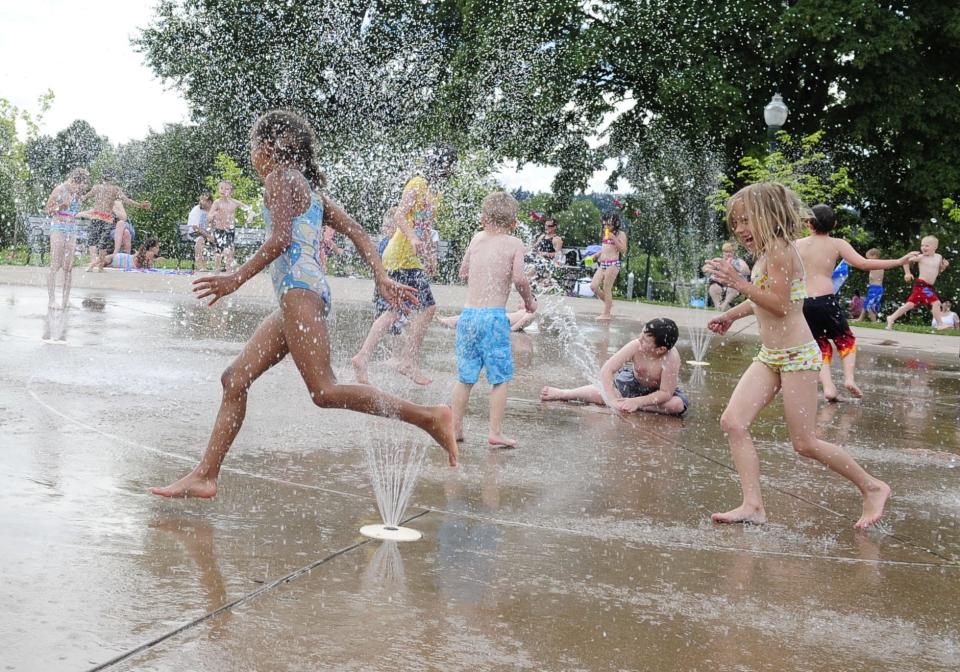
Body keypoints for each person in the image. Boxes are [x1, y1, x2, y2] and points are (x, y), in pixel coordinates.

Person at [150, 110, 457, 499]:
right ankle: (205, 476)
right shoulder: (310, 190)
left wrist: (234, 279)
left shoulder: (280, 179)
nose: (251, 156)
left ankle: (429, 418)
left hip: (299, 292)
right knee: (235, 379)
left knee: (324, 390)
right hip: (300, 294)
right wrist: (379, 275)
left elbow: (279, 240)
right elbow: (360, 232)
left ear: (267, 148)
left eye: (252, 148)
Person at [703, 182, 889, 529]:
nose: (741, 229)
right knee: (733, 422)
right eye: (736, 223)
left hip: (797, 357)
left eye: (747, 220)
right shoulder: (767, 252)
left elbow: (783, 305)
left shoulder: (780, 252)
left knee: (804, 442)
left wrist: (737, 282)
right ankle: (753, 506)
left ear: (768, 216)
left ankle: (873, 486)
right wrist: (729, 315)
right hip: (771, 355)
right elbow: (763, 296)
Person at [352, 144, 458, 386]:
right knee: (427, 309)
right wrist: (412, 239)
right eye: (450, 166)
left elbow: (425, 228)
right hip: (401, 257)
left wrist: (430, 256)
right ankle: (407, 361)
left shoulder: (434, 193)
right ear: (443, 165)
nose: (451, 171)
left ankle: (362, 357)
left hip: (410, 260)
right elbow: (400, 215)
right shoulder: (417, 183)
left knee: (396, 309)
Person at [795, 204, 917, 400]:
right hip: (826, 300)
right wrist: (898, 261)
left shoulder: (797, 244)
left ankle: (828, 387)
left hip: (803, 302)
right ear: (834, 224)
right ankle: (849, 379)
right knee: (846, 339)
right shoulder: (837, 243)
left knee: (819, 344)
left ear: (809, 224)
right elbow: (864, 263)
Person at [450, 191, 537, 447]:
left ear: (483, 219)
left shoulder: (476, 239)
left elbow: (463, 272)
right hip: (493, 319)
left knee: (465, 377)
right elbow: (520, 279)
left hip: (468, 316)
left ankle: (455, 428)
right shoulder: (514, 244)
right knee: (500, 379)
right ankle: (495, 432)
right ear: (514, 223)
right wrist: (529, 302)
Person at [539, 317, 688, 416]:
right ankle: (565, 393)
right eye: (640, 336)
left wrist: (637, 402)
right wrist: (612, 400)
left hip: (657, 394)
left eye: (645, 341)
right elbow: (607, 370)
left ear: (661, 349)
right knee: (600, 392)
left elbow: (665, 393)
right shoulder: (636, 345)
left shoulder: (671, 358)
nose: (639, 340)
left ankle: (634, 405)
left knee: (676, 405)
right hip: (631, 385)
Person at [78, 177, 150, 271]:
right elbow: (126, 200)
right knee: (102, 244)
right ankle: (100, 267)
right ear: (112, 179)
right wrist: (140, 205)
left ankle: (93, 262)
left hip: (96, 217)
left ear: (102, 178)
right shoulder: (115, 189)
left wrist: (76, 197)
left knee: (93, 242)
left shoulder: (96, 187)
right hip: (107, 219)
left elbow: (84, 197)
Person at [43, 168, 89, 309]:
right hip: (58, 228)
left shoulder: (78, 193)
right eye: (81, 184)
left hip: (72, 229)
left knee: (68, 267)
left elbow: (74, 212)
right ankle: (51, 300)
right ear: (74, 180)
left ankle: (66, 300)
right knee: (55, 265)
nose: (82, 187)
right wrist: (61, 206)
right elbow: (47, 209)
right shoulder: (60, 189)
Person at [886, 235, 952, 330]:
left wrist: (944, 267)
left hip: (928, 286)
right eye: (922, 245)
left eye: (927, 245)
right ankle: (940, 324)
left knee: (910, 304)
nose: (924, 248)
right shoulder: (921, 257)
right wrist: (907, 273)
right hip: (922, 285)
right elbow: (906, 261)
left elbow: (938, 270)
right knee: (936, 303)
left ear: (935, 247)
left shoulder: (939, 257)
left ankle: (891, 317)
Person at [207, 180, 255, 274]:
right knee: (217, 254)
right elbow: (209, 215)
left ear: (232, 192)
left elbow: (249, 209)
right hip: (218, 230)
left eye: (227, 189)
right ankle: (216, 272)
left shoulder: (235, 203)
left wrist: (250, 216)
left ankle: (229, 272)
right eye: (221, 188)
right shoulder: (217, 203)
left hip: (229, 231)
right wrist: (212, 216)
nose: (223, 190)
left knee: (228, 252)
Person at [589, 212, 627, 320]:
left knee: (607, 288)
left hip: (613, 263)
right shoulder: (604, 233)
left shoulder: (620, 234)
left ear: (615, 224)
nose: (606, 226)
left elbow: (623, 250)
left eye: (609, 225)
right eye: (604, 224)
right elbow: (605, 249)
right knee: (593, 286)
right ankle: (608, 303)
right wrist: (595, 256)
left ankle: (606, 314)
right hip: (603, 263)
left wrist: (614, 238)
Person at [707, 242, 750, 311]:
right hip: (720, 283)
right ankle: (718, 306)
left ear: (733, 252)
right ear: (723, 253)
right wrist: (711, 268)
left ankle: (725, 305)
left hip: (732, 284)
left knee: (733, 287)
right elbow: (705, 268)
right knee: (713, 287)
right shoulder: (719, 260)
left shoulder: (738, 261)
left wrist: (737, 269)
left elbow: (747, 271)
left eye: (730, 252)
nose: (728, 254)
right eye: (726, 252)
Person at [188, 192, 214, 272]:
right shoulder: (196, 210)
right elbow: (195, 227)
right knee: (200, 239)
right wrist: (208, 236)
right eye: (200, 200)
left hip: (207, 234)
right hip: (195, 233)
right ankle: (199, 265)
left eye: (203, 200)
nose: (201, 202)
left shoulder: (213, 211)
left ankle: (220, 265)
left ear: (209, 202)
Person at [862, 248, 885, 321]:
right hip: (873, 287)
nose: (867, 260)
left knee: (871, 305)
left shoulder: (877, 264)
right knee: (866, 302)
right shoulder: (875, 264)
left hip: (876, 288)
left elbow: (863, 265)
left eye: (868, 258)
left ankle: (874, 322)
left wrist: (851, 262)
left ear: (874, 256)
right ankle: (860, 319)